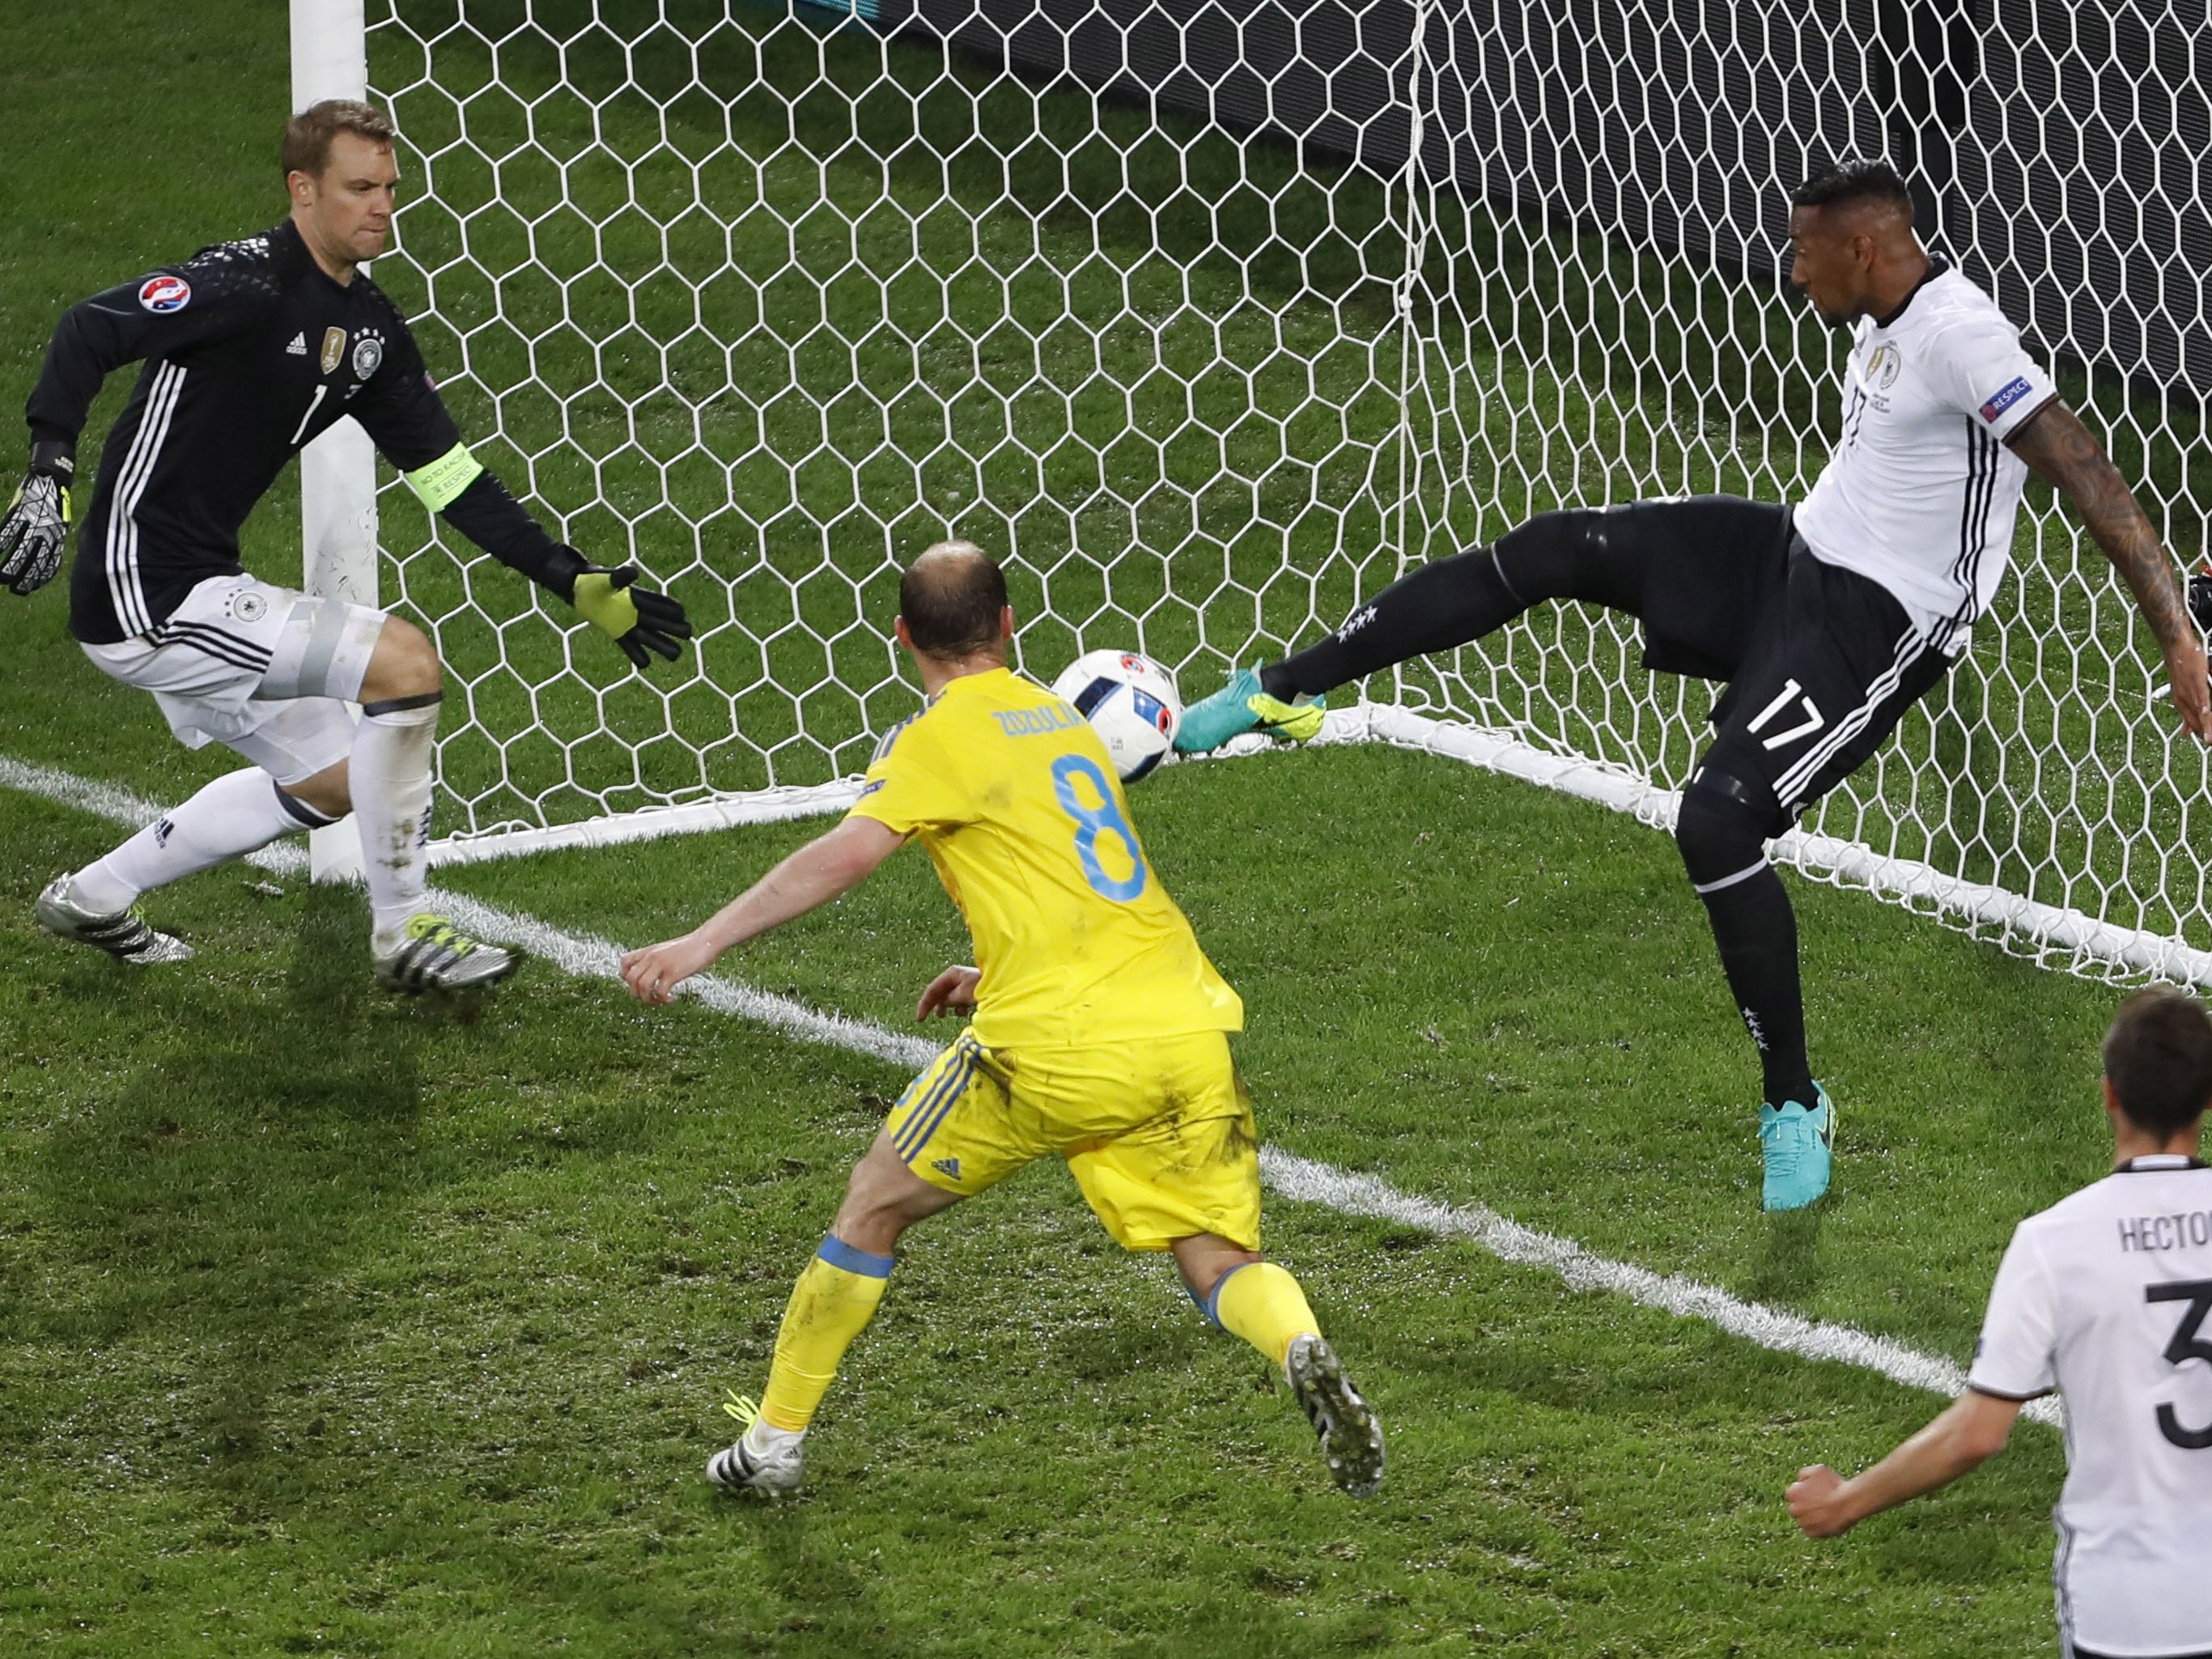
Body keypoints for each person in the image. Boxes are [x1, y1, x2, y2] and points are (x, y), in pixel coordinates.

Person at [1174, 157, 2212, 1211]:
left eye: (1805, 250)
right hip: (1793, 555)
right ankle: (1279, 689)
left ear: (1862, 246)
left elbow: (2083, 465)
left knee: (1716, 823)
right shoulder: (1882, 310)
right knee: (1551, 549)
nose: (1791, 273)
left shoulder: (1960, 337)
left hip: (1875, 623)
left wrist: (2174, 631)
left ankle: (1793, 1100)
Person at [618, 540, 1385, 1499]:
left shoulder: (929, 740)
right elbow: (1080, 877)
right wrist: (994, 966)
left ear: (901, 635)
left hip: (1053, 1050)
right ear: (1009, 622)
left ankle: (770, 1446)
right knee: (1219, 1258)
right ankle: (1299, 1343)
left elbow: (849, 853)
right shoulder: (1065, 722)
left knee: (874, 1204)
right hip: (1185, 1029)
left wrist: (702, 943)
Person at [0, 100, 690, 994]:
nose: (381, 207)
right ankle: (403, 931)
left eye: (391, 188)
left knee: (338, 777)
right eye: (360, 188)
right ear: (303, 189)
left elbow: (447, 475)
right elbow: (91, 328)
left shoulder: (367, 333)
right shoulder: (241, 284)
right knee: (402, 664)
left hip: (202, 582)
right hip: (145, 591)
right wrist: (48, 472)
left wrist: (569, 575)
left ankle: (92, 897)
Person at [1786, 986, 2212, 1659]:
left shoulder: (2056, 1241)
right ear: (2207, 1098)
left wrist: (1844, 1502)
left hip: (2129, 1612)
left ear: (2108, 1094)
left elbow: (1976, 1435)